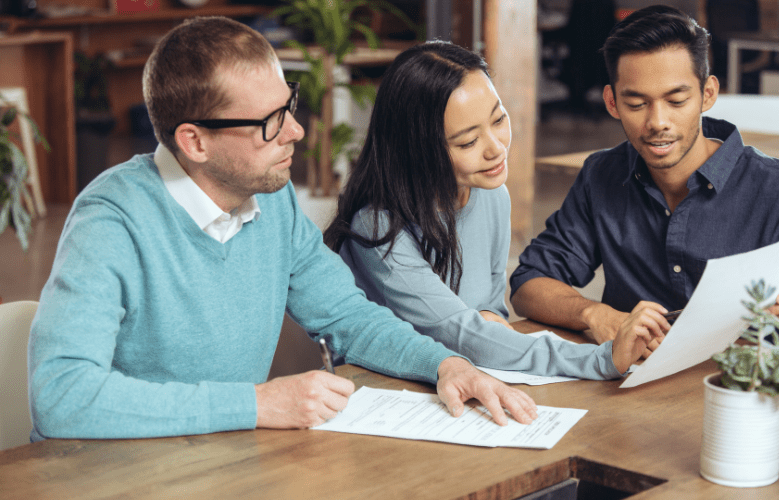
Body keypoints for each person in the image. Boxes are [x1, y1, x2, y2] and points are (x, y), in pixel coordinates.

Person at [27, 17, 539, 441]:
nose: (295, 130)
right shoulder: (111, 220)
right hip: (110, 477)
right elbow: (63, 396)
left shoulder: (271, 200)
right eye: (271, 122)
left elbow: (348, 317)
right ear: (195, 142)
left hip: (225, 463)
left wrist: (446, 365)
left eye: (288, 105)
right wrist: (255, 403)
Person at [323, 41, 658, 380]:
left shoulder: (490, 194)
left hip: (468, 377)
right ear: (417, 150)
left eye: (498, 120)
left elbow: (488, 313)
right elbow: (459, 332)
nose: (496, 149)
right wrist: (600, 359)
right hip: (387, 393)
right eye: (468, 142)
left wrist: (488, 316)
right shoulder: (378, 228)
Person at [510, 5, 779, 349]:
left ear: (707, 94)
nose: (657, 122)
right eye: (636, 104)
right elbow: (530, 282)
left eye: (676, 100)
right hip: (632, 387)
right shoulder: (602, 175)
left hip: (739, 387)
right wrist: (594, 314)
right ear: (612, 102)